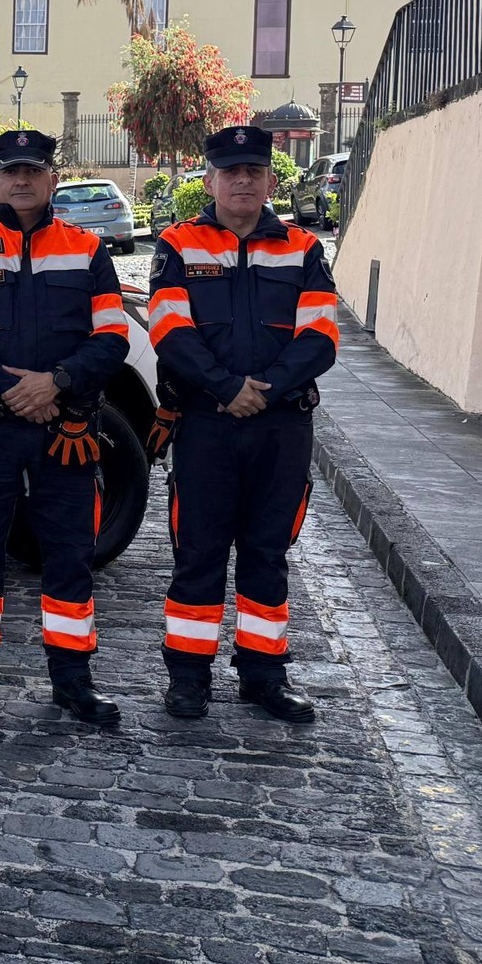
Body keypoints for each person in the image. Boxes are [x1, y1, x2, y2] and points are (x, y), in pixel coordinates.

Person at [0, 130, 130, 726]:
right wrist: (18, 390)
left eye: (33, 170)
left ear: (52, 180)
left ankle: (73, 680)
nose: (22, 180)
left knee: (70, 556)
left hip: (65, 427)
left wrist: (58, 383)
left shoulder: (88, 251)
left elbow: (113, 338)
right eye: (11, 171)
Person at [148, 125, 339, 722]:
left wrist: (266, 390)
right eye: (231, 171)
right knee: (198, 551)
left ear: (269, 182)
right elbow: (168, 331)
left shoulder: (304, 249)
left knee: (268, 552)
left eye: (254, 171)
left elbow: (321, 336)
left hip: (280, 426)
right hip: (207, 423)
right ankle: (188, 677)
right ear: (210, 180)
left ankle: (263, 674)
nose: (242, 181)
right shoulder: (177, 245)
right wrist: (227, 388)